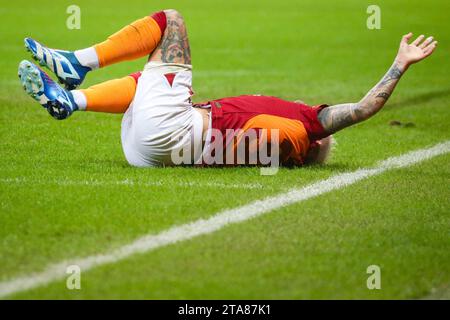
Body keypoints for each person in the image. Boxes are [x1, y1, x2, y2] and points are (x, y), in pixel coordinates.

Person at [18, 9, 437, 167]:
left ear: (316, 142)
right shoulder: (285, 135)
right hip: (146, 154)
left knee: (170, 22)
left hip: (170, 131)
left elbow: (363, 109)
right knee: (148, 80)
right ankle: (69, 99)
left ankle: (78, 64)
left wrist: (399, 64)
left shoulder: (308, 124)